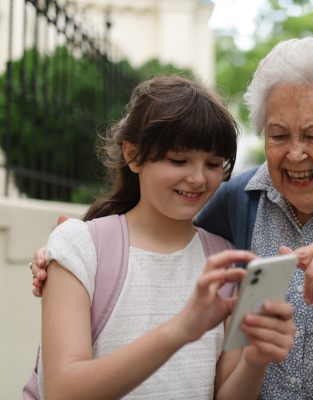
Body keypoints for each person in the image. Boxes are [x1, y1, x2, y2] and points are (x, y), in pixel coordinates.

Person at [32, 38, 313, 399]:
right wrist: (67, 252)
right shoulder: (234, 200)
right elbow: (160, 226)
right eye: (278, 135)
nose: (295, 153)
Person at [30, 75, 295, 400]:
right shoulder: (79, 245)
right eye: (178, 160)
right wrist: (181, 330)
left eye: (213, 163)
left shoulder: (223, 256)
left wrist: (255, 361)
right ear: (133, 154)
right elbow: (63, 391)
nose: (198, 178)